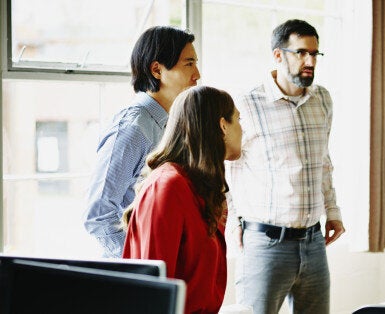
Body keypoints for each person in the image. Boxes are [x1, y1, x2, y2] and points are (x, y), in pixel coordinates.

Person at [226, 19, 345, 314]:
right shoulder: (246, 103)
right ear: (278, 55)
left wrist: (333, 211)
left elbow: (323, 162)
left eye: (315, 54)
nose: (310, 61)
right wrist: (231, 223)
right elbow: (223, 168)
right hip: (264, 243)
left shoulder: (323, 99)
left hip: (314, 242)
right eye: (301, 53)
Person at [123, 85, 242, 314]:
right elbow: (151, 293)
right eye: (239, 119)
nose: (243, 129)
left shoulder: (204, 188)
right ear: (223, 126)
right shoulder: (167, 186)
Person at [84, 26, 200, 257]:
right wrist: (142, 263)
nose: (197, 73)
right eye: (189, 63)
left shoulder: (174, 124)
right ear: (157, 70)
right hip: (141, 274)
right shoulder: (132, 129)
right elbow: (98, 215)